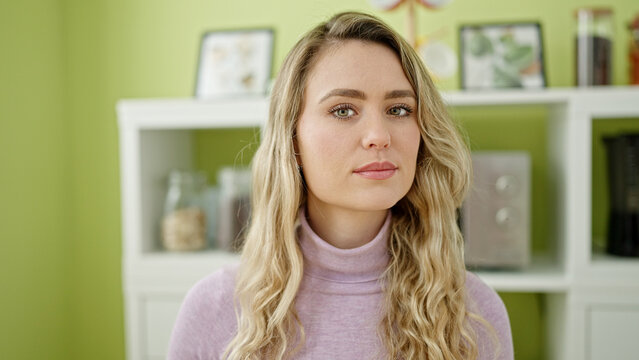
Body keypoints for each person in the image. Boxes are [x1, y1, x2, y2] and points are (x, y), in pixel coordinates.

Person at [168, 11, 513, 360]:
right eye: (344, 110)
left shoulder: (475, 314)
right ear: (293, 140)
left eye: (398, 110)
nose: (379, 136)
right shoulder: (213, 310)